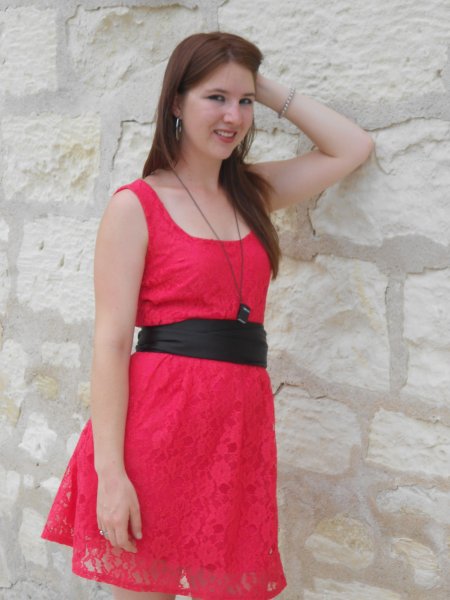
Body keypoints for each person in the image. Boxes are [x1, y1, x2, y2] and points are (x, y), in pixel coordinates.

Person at [41, 31, 374, 600]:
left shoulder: (252, 192)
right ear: (176, 101)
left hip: (236, 432)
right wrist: (111, 474)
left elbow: (351, 147)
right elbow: (111, 342)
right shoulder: (136, 206)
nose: (233, 116)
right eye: (215, 97)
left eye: (243, 101)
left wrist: (258, 82)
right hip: (157, 428)